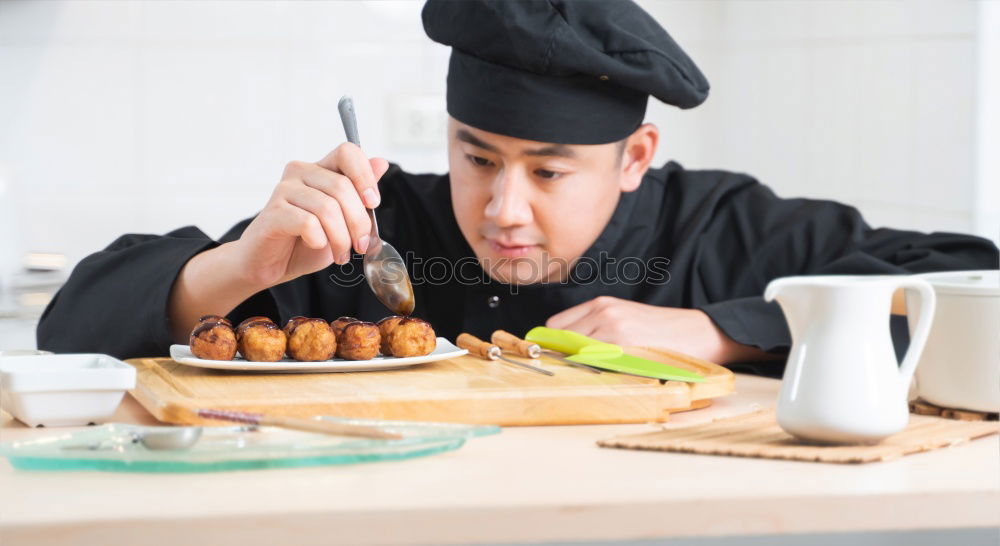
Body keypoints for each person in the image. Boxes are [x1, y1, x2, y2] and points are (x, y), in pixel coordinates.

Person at [36, 0, 998, 375]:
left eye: (547, 171)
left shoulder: (718, 227)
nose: (503, 207)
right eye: (477, 155)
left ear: (633, 157)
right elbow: (68, 327)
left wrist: (717, 327)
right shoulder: (373, 228)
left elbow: (969, 287)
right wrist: (234, 269)